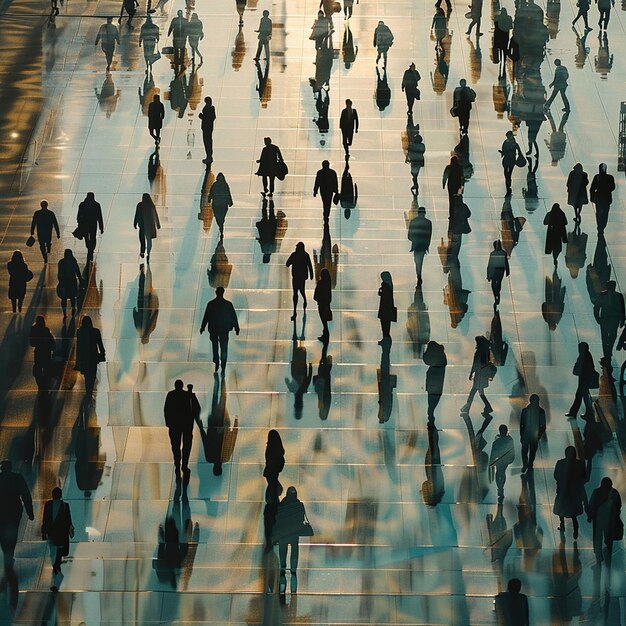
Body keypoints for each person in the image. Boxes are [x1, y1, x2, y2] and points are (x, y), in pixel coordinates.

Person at [273, 486, 309, 597]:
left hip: (284, 533)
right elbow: (302, 519)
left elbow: (277, 519)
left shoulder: (282, 505)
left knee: (283, 551)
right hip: (294, 533)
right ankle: (293, 568)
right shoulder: (299, 505)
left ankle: (283, 568)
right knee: (294, 551)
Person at [0, 461, 34, 569]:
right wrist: (30, 511)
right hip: (14, 510)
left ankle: (6, 553)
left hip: (2, 510)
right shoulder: (17, 478)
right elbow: (25, 495)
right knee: (13, 532)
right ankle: (9, 554)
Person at [200, 286, 240, 374]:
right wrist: (236, 328)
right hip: (224, 329)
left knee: (215, 346)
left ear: (216, 292)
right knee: (224, 347)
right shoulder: (228, 304)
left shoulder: (211, 304)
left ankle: (216, 362)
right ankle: (223, 363)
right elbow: (233, 317)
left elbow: (206, 316)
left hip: (214, 329)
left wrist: (202, 327)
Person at [164, 380, 196, 481]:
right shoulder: (187, 395)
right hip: (185, 425)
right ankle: (184, 465)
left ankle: (177, 464)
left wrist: (168, 423)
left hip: (174, 425)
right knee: (186, 446)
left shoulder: (171, 394)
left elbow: (166, 409)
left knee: (175, 446)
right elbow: (192, 410)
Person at [553, 446, 587, 538]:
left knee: (561, 509)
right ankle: (575, 529)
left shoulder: (560, 463)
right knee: (573, 513)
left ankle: (562, 524)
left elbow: (556, 475)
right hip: (574, 492)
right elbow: (584, 477)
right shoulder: (579, 464)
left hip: (563, 491)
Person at [587, 476, 621, 564]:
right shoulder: (614, 493)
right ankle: (609, 548)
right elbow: (618, 505)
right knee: (609, 534)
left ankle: (598, 554)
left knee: (597, 536)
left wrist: (590, 516)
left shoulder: (596, 492)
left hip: (598, 518)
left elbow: (591, 505)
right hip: (610, 519)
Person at [41, 487, 73, 579]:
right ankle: (57, 565)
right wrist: (69, 530)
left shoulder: (48, 504)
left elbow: (45, 519)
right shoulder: (65, 505)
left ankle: (55, 564)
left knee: (53, 549)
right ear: (60, 495)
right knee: (59, 549)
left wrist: (44, 531)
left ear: (53, 495)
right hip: (61, 531)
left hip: (51, 531)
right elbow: (68, 520)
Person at [462, 336, 494, 415]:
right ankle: (487, 407)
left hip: (479, 376)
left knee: (473, 392)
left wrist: (471, 373)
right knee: (480, 393)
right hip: (483, 376)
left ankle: (467, 408)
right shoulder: (486, 351)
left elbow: (475, 364)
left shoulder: (479, 352)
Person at [593, 280, 625, 359]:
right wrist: (622, 319)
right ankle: (608, 350)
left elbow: (596, 307)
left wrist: (597, 318)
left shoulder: (603, 295)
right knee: (611, 335)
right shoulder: (618, 295)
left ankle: (607, 351)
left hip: (606, 319)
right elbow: (622, 308)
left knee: (606, 336)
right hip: (613, 319)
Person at [566, 341, 597, 418]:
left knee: (579, 396)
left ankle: (574, 412)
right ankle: (589, 413)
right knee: (584, 396)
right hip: (585, 380)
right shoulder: (587, 355)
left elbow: (580, 367)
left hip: (584, 380)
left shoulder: (583, 356)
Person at [75, 315, 106, 394]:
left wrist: (78, 361)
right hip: (93, 357)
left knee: (87, 376)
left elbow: (79, 347)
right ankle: (90, 391)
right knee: (92, 375)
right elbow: (100, 344)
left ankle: (88, 391)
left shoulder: (80, 332)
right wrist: (102, 353)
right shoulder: (95, 331)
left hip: (84, 357)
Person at [286, 242, 313, 321]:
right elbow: (310, 265)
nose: (296, 248)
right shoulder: (305, 255)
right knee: (301, 290)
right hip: (302, 277)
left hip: (296, 276)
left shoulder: (294, 255)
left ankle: (295, 310)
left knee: (295, 293)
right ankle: (304, 300)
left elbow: (287, 264)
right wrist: (311, 274)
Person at [519, 394, 546, 472]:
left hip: (528, 434)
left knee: (526, 450)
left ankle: (527, 464)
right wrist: (539, 435)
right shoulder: (541, 411)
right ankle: (529, 464)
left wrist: (522, 435)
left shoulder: (525, 410)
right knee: (531, 451)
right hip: (532, 434)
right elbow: (543, 426)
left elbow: (522, 424)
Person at [489, 425, 515, 502]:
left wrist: (491, 462)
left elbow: (493, 453)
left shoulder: (496, 441)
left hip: (499, 460)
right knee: (502, 472)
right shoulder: (510, 440)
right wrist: (511, 459)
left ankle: (499, 488)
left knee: (498, 472)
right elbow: (512, 451)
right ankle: (501, 487)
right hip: (505, 460)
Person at [407, 206, 432, 286]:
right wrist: (427, 245)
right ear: (424, 213)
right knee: (420, 261)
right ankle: (419, 274)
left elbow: (409, 236)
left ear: (418, 213)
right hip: (423, 245)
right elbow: (429, 235)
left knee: (417, 261)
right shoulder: (428, 222)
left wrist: (414, 239)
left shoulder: (413, 221)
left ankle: (419, 274)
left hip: (416, 245)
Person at [30, 315, 56, 390]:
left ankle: (40, 384)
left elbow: (32, 343)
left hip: (38, 352)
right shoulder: (46, 330)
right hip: (46, 351)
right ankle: (46, 383)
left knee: (38, 367)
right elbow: (51, 341)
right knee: (46, 367)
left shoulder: (33, 330)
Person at [133, 193, 161, 260]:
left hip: (142, 226)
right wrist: (158, 224)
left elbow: (136, 215)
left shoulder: (139, 205)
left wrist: (135, 223)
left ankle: (142, 252)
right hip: (149, 227)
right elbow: (155, 215)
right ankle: (148, 252)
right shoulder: (151, 205)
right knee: (149, 241)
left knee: (142, 241)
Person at [424, 341, 446, 423]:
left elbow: (426, 360)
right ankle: (431, 411)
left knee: (431, 397)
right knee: (435, 397)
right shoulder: (441, 354)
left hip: (432, 379)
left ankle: (430, 411)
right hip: (438, 381)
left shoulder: (434, 358)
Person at [76, 192, 104, 260]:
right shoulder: (96, 205)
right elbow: (99, 217)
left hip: (85, 224)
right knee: (93, 237)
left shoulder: (82, 204)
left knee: (86, 236)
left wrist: (79, 222)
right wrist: (101, 227)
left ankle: (88, 247)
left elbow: (79, 215)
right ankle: (91, 248)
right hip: (93, 224)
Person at [589, 163, 615, 233]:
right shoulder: (610, 177)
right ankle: (602, 226)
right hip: (607, 198)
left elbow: (592, 188)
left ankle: (599, 225)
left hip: (598, 198)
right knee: (605, 214)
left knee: (598, 213)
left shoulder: (597, 177)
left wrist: (592, 197)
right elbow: (613, 187)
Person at [57, 249, 82, 318]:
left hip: (64, 282)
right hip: (72, 282)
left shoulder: (61, 262)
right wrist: (80, 279)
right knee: (72, 297)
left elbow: (59, 273)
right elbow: (77, 271)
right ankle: (73, 309)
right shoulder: (73, 262)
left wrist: (60, 282)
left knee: (64, 298)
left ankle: (64, 313)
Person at [208, 173, 233, 239]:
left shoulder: (215, 184)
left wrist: (209, 199)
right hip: (223, 204)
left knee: (217, 216)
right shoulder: (225, 185)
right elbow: (228, 193)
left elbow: (211, 192)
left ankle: (220, 226)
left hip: (216, 204)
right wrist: (230, 202)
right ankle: (221, 226)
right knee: (222, 216)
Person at [486, 240, 510, 307]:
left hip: (494, 270)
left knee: (493, 284)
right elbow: (506, 263)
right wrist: (507, 271)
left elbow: (490, 264)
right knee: (498, 282)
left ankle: (496, 295)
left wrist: (488, 275)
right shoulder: (503, 253)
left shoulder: (493, 253)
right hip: (501, 270)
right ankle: (497, 294)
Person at [499, 131, 522, 196]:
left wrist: (502, 152)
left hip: (507, 159)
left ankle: (508, 179)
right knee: (509, 171)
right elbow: (519, 151)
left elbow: (504, 150)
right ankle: (508, 179)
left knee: (506, 170)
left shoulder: (506, 142)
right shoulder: (514, 143)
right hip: (511, 159)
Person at [313, 268, 332, 342]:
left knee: (323, 321)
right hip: (326, 304)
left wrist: (317, 299)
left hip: (321, 304)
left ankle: (325, 335)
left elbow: (316, 295)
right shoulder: (328, 283)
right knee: (325, 321)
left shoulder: (320, 283)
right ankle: (325, 335)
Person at [377, 271, 395, 342]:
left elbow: (383, 295)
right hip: (388, 306)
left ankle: (385, 336)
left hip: (384, 306)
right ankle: (386, 335)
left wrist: (380, 291)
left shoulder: (384, 285)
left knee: (383, 322)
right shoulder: (390, 284)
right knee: (387, 322)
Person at [199, 96, 216, 164]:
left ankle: (209, 156)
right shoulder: (211, 108)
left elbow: (209, 118)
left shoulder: (209, 108)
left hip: (207, 127)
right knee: (208, 141)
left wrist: (201, 116)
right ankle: (209, 156)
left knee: (207, 142)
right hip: (208, 127)